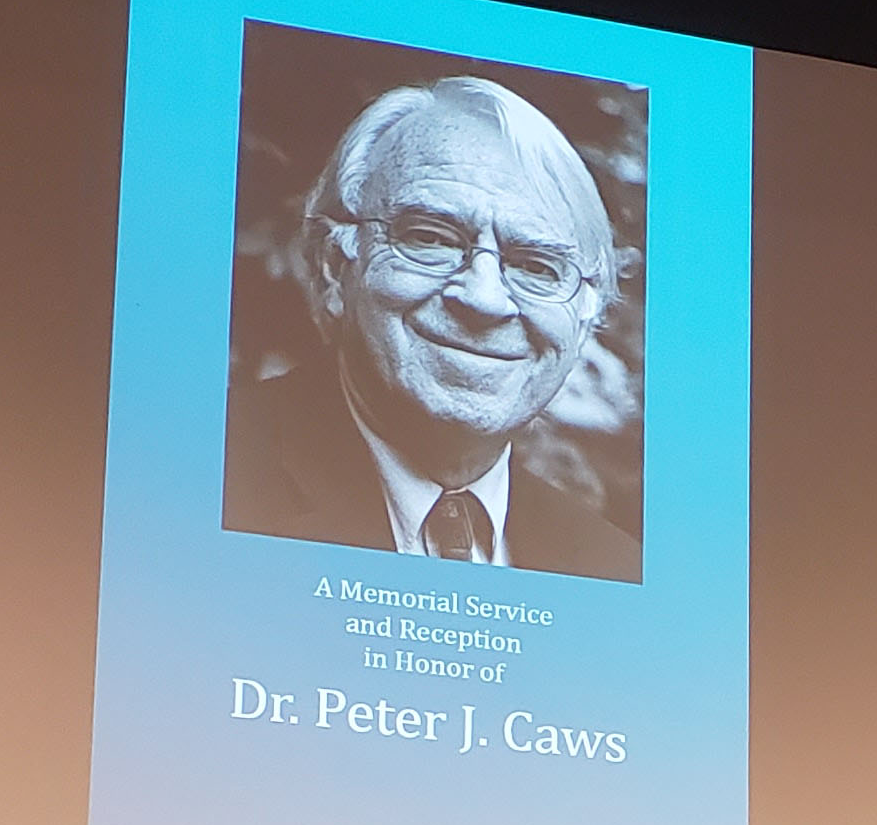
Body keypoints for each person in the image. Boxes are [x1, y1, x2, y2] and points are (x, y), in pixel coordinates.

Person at [225, 75, 639, 581]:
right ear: (334, 266)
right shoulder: (202, 472)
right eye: (431, 238)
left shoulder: (614, 568)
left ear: (584, 318)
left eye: (536, 266)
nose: (484, 299)